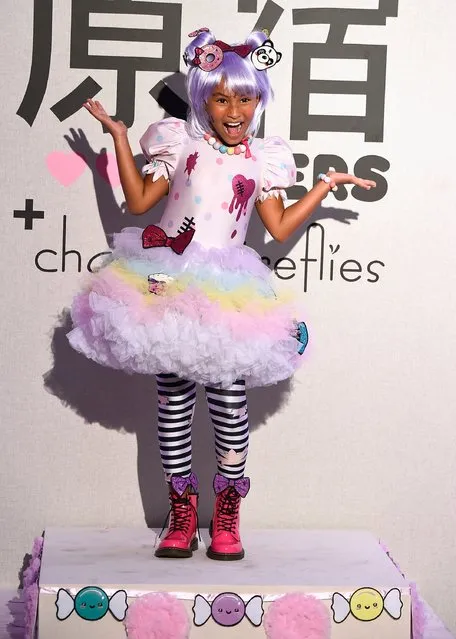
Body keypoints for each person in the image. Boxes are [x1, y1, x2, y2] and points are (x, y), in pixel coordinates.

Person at [67, 28, 376, 561]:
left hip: (229, 293)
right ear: (202, 98)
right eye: (222, 97)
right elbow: (139, 203)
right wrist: (119, 137)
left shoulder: (264, 159)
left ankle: (228, 511)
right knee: (173, 406)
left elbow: (276, 229)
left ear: (259, 99)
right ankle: (182, 512)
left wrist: (323, 187)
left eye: (247, 97)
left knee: (230, 404)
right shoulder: (179, 142)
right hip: (167, 283)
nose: (235, 110)